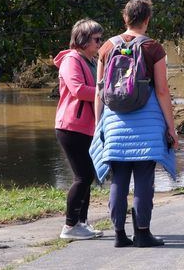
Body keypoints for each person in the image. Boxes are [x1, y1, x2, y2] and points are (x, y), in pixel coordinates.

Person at [90, 0, 178, 248]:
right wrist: (170, 128)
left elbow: (100, 91)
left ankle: (119, 234)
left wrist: (99, 125)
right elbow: (161, 91)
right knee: (143, 180)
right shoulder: (153, 48)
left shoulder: (106, 47)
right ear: (147, 19)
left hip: (115, 124)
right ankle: (142, 233)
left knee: (118, 179)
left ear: (125, 19)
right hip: (147, 126)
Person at [54, 19, 105, 240]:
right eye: (96, 39)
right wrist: (105, 92)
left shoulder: (90, 61)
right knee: (82, 176)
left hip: (86, 127)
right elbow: (77, 90)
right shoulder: (71, 60)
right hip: (71, 127)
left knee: (88, 175)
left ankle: (81, 223)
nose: (99, 43)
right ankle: (69, 226)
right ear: (83, 40)